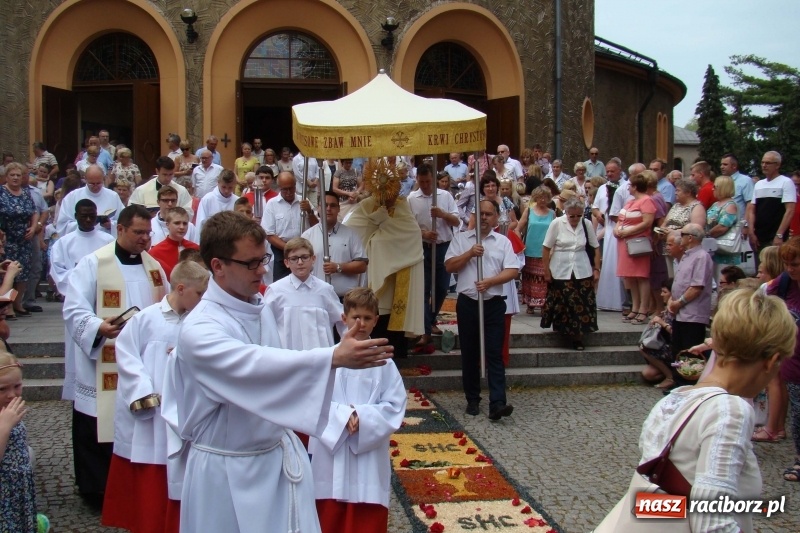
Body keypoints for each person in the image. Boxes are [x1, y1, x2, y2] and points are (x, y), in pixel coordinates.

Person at [160, 211, 393, 533]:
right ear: (218, 266)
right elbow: (254, 367)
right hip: (225, 469)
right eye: (251, 263)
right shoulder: (200, 329)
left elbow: (277, 359)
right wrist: (331, 358)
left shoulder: (257, 306)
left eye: (263, 259)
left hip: (273, 459)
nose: (263, 269)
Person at [638, 288, 795, 532]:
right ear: (772, 361)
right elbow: (711, 522)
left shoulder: (673, 400)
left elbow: (654, 501)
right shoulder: (730, 410)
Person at [63, 204, 168, 507]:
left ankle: (135, 485)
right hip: (103, 362)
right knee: (98, 421)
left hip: (141, 361)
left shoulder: (154, 268)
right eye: (138, 232)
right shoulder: (94, 264)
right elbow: (73, 308)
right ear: (120, 229)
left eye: (148, 233)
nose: (145, 239)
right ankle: (96, 489)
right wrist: (98, 326)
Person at [101, 261, 209, 533]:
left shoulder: (203, 321)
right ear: (181, 288)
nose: (202, 300)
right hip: (153, 413)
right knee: (152, 474)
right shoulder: (146, 319)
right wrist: (143, 393)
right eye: (199, 294)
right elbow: (126, 357)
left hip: (187, 412)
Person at [310, 287, 406, 533]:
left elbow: (395, 405)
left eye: (367, 318)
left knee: (365, 518)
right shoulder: (328, 358)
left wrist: (362, 417)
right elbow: (312, 399)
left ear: (376, 320)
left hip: (367, 452)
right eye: (355, 317)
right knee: (328, 516)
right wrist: (342, 416)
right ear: (344, 318)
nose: (361, 323)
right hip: (331, 451)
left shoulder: (384, 363)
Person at [445, 199, 519, 419]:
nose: (484, 218)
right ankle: (472, 399)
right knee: (469, 352)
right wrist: (469, 254)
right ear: (474, 217)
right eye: (481, 214)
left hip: (493, 303)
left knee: (494, 353)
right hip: (468, 303)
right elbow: (449, 266)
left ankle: (497, 402)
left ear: (496, 217)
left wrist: (491, 281)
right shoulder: (461, 239)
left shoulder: (503, 242)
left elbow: (513, 270)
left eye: (489, 214)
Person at [344, 161, 424, 359]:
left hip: (399, 277)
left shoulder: (403, 206)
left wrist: (383, 230)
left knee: (394, 327)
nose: (387, 194)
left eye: (391, 188)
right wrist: (377, 230)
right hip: (373, 275)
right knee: (375, 315)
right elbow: (351, 232)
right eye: (382, 188)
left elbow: (412, 235)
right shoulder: (366, 206)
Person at [50, 199, 115, 400]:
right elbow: (58, 273)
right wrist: (86, 279)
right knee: (77, 349)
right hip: (79, 303)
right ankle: (79, 392)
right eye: (83, 215)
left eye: (92, 216)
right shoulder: (64, 243)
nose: (88, 220)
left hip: (105, 303)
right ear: (75, 216)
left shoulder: (106, 240)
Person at [407, 164, 460, 351]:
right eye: (421, 182)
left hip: (444, 247)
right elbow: (408, 226)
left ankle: (429, 321)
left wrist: (442, 214)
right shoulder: (412, 199)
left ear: (433, 180)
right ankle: (425, 331)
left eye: (428, 181)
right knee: (423, 289)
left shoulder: (445, 196)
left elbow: (457, 220)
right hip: (423, 247)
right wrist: (423, 234)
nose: (425, 185)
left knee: (442, 288)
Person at [263, 237, 344, 350]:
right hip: (288, 360)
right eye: (294, 258)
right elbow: (265, 326)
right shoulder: (276, 291)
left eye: (305, 257)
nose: (300, 262)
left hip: (321, 360)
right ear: (286, 262)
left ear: (313, 259)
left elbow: (343, 321)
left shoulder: (325, 290)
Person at [541, 197, 601, 350]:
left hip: (582, 268)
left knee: (582, 302)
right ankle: (566, 332)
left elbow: (595, 247)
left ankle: (578, 336)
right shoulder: (557, 223)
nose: (575, 219)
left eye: (578, 216)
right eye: (572, 216)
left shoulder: (586, 225)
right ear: (566, 213)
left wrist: (596, 269)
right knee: (566, 301)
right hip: (560, 268)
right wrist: (546, 271)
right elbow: (546, 248)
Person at [763, 238, 800, 477]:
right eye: (787, 263)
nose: (790, 268)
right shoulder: (784, 283)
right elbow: (765, 296)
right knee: (798, 413)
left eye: (795, 264)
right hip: (794, 362)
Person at [0, 352, 43, 532]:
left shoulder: (9, 410)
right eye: (2, 389)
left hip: (18, 488)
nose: (11, 395)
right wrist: (4, 426)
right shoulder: (5, 418)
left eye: (17, 386)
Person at [301, 192, 367, 299]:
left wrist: (338, 267)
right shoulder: (307, 236)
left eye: (332, 205)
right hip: (316, 297)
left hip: (344, 299)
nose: (328, 209)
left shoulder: (351, 234)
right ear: (318, 208)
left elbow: (362, 265)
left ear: (338, 208)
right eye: (325, 205)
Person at [615, 172, 656, 325]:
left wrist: (628, 231)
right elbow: (621, 218)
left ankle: (643, 309)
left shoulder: (647, 201)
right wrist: (617, 229)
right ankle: (635, 306)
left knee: (641, 276)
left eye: (630, 185)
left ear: (636, 187)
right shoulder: (630, 202)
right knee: (629, 276)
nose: (628, 188)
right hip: (624, 242)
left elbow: (647, 222)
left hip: (638, 243)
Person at [666, 223, 713, 355]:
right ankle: (676, 376)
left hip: (692, 316)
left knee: (689, 353)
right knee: (677, 351)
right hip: (679, 315)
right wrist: (671, 301)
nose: (680, 237)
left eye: (682, 235)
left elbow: (696, 287)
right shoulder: (686, 256)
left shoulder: (701, 256)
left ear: (691, 238)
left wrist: (678, 303)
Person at [263, 172, 319, 281]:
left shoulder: (304, 201)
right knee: (281, 282)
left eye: (291, 188)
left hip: (304, 247)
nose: (288, 192)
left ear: (295, 186)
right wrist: (289, 248)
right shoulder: (272, 204)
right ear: (279, 188)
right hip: (281, 249)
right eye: (285, 189)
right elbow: (269, 234)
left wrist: (309, 211)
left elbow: (317, 226)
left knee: (306, 279)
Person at [0, 162, 38, 318]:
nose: (15, 178)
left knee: (23, 272)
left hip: (24, 239)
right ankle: (6, 305)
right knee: (8, 272)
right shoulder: (1, 193)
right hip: (6, 239)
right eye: (12, 175)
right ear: (6, 177)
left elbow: (34, 212)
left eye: (18, 175)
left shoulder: (25, 193)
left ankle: (17, 302)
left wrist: (34, 227)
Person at [747, 150, 796, 258]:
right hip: (759, 236)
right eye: (762, 162)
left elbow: (790, 210)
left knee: (776, 268)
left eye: (768, 163)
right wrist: (751, 232)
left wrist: (779, 234)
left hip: (775, 235)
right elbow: (752, 209)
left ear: (777, 165)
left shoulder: (786, 182)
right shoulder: (759, 184)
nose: (764, 165)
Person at [592, 160, 626, 311]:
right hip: (605, 226)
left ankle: (623, 299)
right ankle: (606, 299)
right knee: (607, 262)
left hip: (619, 227)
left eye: (613, 171)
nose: (610, 174)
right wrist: (598, 213)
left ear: (620, 170)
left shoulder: (626, 186)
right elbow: (595, 207)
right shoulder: (602, 188)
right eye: (608, 171)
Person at [515, 186, 555, 314]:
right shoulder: (529, 211)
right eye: (540, 197)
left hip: (545, 251)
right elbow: (518, 228)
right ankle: (530, 304)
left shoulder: (552, 213)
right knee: (529, 277)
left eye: (545, 197)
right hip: (530, 249)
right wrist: (520, 244)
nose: (542, 199)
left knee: (544, 278)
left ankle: (543, 303)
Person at [57, 165, 125, 237]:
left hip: (105, 240)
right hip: (80, 239)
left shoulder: (113, 196)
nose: (95, 186)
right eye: (92, 183)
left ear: (103, 179)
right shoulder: (72, 197)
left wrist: (111, 225)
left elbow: (124, 221)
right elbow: (63, 225)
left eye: (98, 183)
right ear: (85, 179)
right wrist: (85, 223)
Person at [129, 156, 194, 220]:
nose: (168, 178)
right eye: (165, 174)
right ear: (157, 171)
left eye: (171, 174)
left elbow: (188, 212)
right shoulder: (141, 190)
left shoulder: (182, 191)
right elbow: (132, 212)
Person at [639, 278, 675, 389]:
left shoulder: (676, 309)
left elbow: (675, 332)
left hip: (673, 346)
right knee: (648, 374)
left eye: (665, 292)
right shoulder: (667, 309)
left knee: (645, 348)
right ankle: (668, 372)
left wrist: (662, 323)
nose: (661, 294)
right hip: (664, 343)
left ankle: (670, 377)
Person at [148, 207, 200, 280]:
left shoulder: (196, 249)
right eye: (177, 223)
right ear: (167, 225)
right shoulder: (155, 252)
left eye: (185, 223)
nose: (182, 227)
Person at [705, 175, 741, 278]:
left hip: (725, 252)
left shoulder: (730, 205)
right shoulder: (716, 204)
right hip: (714, 249)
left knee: (723, 277)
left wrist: (707, 234)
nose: (713, 189)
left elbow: (723, 226)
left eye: (715, 187)